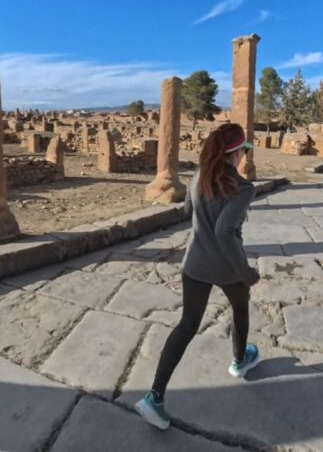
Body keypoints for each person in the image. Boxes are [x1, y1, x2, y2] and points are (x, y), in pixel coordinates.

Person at [135, 122, 262, 430]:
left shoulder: (198, 176)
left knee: (187, 324)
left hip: (195, 262)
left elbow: (187, 211)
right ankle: (239, 361)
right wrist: (245, 272)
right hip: (228, 266)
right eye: (244, 150)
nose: (245, 156)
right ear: (236, 153)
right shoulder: (243, 189)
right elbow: (225, 231)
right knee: (240, 307)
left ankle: (154, 396)